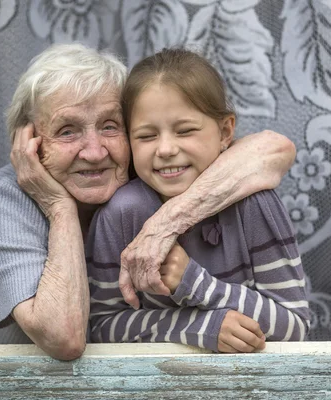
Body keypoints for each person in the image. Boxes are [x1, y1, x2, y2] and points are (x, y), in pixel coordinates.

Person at [0, 43, 297, 360]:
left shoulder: (148, 167)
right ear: (27, 143)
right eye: (67, 131)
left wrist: (166, 224)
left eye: (109, 126)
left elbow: (273, 150)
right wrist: (57, 206)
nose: (94, 152)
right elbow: (65, 338)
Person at [87, 48, 310, 353]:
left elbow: (295, 326)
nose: (165, 149)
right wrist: (197, 327)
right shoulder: (121, 214)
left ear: (225, 131)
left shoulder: (254, 204)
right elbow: (101, 327)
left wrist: (195, 284)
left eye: (186, 130)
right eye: (146, 136)